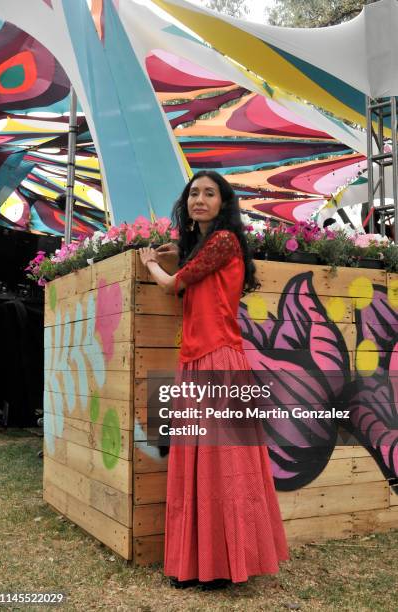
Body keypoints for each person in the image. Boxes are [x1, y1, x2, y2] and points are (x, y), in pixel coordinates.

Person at [139, 170, 288, 589]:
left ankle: (223, 565)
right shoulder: (208, 246)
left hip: (218, 360)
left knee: (221, 465)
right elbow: (193, 277)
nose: (199, 199)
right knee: (196, 464)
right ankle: (197, 563)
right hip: (195, 360)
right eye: (193, 193)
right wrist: (181, 251)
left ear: (224, 203)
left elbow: (172, 285)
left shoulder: (222, 242)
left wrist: (152, 261)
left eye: (209, 193)